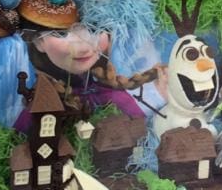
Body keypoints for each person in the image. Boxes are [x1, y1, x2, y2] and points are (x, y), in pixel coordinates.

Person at [14, 24, 144, 132]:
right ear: (39, 41)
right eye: (62, 33)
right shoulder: (41, 107)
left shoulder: (114, 97)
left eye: (94, 29)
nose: (83, 48)